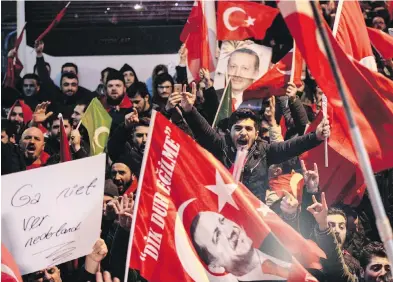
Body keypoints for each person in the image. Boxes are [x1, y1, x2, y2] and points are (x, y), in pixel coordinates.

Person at [181, 93, 330, 202]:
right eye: (238, 128)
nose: (243, 132)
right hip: (221, 212)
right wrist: (189, 110)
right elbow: (204, 131)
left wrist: (316, 136)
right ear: (230, 131)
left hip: (254, 217)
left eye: (248, 128)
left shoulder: (264, 151)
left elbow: (291, 147)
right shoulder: (222, 146)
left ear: (256, 133)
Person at [190, 211, 292, 280]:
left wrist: (291, 215)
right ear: (214, 265)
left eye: (223, 221)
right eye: (217, 236)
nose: (229, 231)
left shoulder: (271, 236)